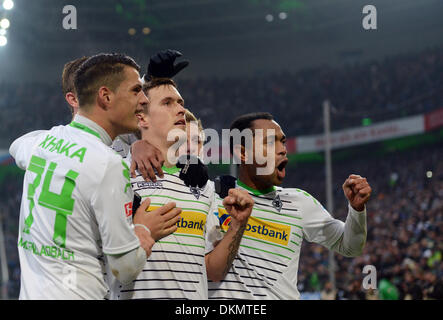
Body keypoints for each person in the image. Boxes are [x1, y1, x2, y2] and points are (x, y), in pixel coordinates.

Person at [9, 53, 163, 299]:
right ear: (106, 96)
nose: (144, 100)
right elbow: (124, 269)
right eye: (136, 90)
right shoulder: (109, 165)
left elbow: (17, 146)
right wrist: (145, 230)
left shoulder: (41, 144)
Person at [112, 77, 254, 300]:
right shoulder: (116, 174)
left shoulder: (202, 187)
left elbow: (213, 271)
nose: (181, 109)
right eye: (168, 103)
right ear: (141, 118)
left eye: (180, 102)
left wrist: (238, 224)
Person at [207, 112, 371, 299]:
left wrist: (357, 210)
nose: (282, 149)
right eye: (270, 142)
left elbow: (351, 246)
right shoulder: (212, 198)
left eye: (282, 142)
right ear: (243, 153)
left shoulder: (299, 202)